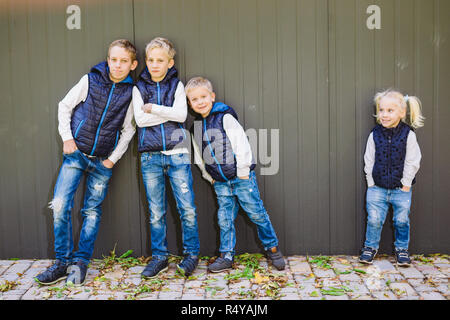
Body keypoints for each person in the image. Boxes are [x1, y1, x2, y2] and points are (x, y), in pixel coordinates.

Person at [35, 39, 138, 285]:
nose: (118, 65)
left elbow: (129, 129)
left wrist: (113, 160)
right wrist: (67, 138)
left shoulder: (131, 92)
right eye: (114, 59)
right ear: (108, 59)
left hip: (102, 162)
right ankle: (62, 262)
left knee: (91, 211)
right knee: (60, 204)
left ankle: (80, 263)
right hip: (76, 155)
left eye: (124, 61)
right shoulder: (90, 80)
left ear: (133, 65)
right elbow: (65, 106)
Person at [185, 76, 285, 273]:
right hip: (220, 183)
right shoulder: (195, 128)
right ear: (189, 103)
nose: (200, 102)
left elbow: (241, 143)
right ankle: (226, 256)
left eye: (203, 96)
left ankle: (273, 249)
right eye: (194, 99)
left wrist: (243, 171)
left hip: (241, 179)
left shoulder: (225, 117)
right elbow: (199, 157)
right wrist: (209, 177)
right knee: (224, 218)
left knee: (257, 214)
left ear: (212, 96)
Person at [133, 37, 200, 278]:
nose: (154, 64)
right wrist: (166, 113)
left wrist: (154, 108)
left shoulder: (178, 86)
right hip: (150, 157)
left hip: (178, 154)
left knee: (187, 208)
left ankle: (192, 254)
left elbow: (182, 115)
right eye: (150, 60)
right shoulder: (138, 88)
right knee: (156, 212)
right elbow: (140, 121)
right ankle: (159, 257)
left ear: (170, 63)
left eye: (160, 60)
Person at [359, 89, 425, 266]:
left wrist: (406, 184)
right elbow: (369, 158)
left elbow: (413, 161)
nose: (384, 115)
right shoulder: (375, 134)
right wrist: (370, 183)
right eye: (381, 110)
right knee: (374, 219)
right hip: (377, 188)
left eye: (390, 110)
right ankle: (370, 247)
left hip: (400, 190)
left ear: (402, 112)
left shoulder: (408, 135)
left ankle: (402, 249)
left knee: (401, 220)